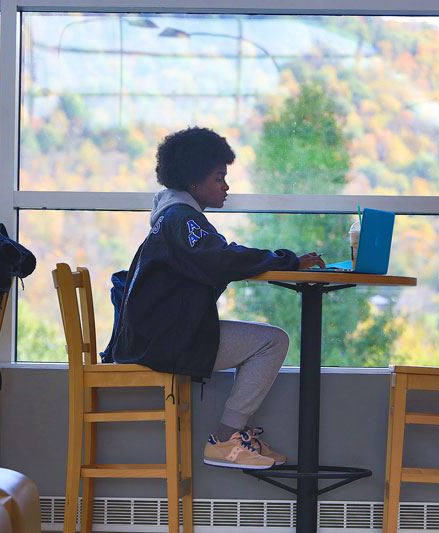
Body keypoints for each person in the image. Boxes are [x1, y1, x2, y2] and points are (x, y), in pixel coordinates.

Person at [109, 126, 325, 470]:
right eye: (218, 177)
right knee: (272, 341)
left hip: (155, 334)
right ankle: (226, 439)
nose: (226, 186)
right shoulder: (183, 219)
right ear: (194, 181)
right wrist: (288, 260)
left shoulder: (173, 216)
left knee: (267, 339)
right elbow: (219, 258)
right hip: (164, 341)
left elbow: (216, 258)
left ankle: (233, 438)